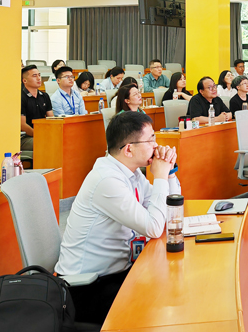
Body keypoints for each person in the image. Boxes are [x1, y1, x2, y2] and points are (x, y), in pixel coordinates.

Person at [55, 111, 180, 325]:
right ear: (129, 149)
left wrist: (169, 173)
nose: (156, 146)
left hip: (117, 272)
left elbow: (169, 208)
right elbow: (153, 227)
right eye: (150, 139)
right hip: (87, 289)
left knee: (171, 282)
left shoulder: (132, 173)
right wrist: (159, 176)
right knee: (163, 300)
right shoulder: (106, 180)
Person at [21, 65, 53, 151]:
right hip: (25, 137)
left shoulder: (45, 96)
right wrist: (39, 135)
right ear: (24, 80)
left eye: (39, 75)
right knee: (48, 143)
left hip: (42, 134)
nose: (39, 78)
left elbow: (51, 118)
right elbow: (22, 125)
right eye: (34, 76)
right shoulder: (21, 97)